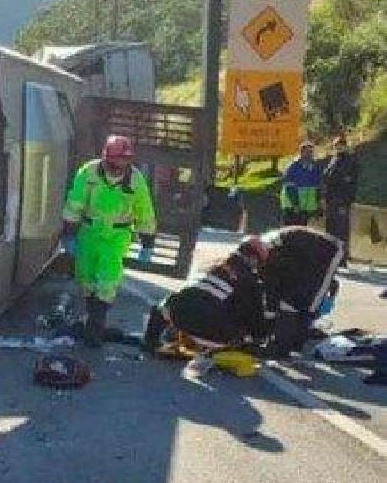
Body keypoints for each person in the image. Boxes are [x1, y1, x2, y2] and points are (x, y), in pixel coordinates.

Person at [62, 135, 157, 347]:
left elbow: (144, 211)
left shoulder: (135, 179)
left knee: (107, 279)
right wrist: (68, 232)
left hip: (116, 236)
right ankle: (92, 320)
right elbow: (75, 203)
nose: (120, 166)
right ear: (106, 158)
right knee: (85, 277)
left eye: (125, 161)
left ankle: (96, 327)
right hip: (89, 232)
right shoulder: (88, 172)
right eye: (117, 161)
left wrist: (147, 241)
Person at [143, 236, 272, 353]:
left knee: (167, 304)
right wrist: (261, 336)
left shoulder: (210, 264)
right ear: (254, 258)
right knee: (239, 328)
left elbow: (187, 294)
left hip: (177, 313)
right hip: (211, 328)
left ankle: (151, 340)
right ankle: (207, 344)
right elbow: (255, 317)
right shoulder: (249, 280)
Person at [259, 226, 344, 357]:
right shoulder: (268, 249)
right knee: (292, 299)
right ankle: (292, 340)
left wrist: (270, 317)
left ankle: (295, 341)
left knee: (310, 302)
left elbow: (272, 288)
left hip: (328, 250)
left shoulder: (269, 256)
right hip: (304, 254)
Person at [321, 134, 358, 265]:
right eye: (336, 145)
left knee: (341, 231)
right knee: (330, 230)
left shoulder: (349, 161)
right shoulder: (333, 160)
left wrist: (347, 202)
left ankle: (342, 258)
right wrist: (324, 198)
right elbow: (327, 179)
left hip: (342, 201)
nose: (338, 147)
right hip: (331, 201)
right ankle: (331, 257)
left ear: (345, 146)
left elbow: (350, 183)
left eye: (341, 145)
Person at [280, 140, 323, 227]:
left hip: (305, 209)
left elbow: (318, 188)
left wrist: (318, 204)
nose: (310, 154)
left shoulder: (314, 167)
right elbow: (289, 188)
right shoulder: (293, 167)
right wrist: (295, 205)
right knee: (290, 233)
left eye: (311, 152)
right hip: (291, 208)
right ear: (301, 152)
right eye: (307, 152)